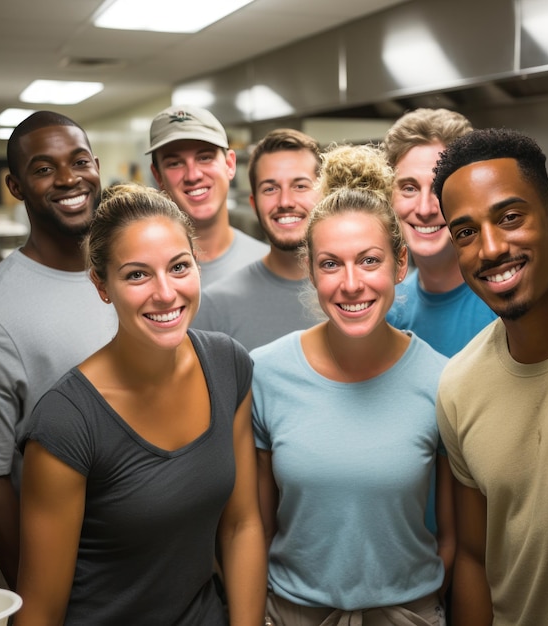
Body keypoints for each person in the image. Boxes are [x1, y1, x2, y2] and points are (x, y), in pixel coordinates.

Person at [15, 184, 267, 625]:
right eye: (137, 274)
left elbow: (241, 525)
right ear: (102, 285)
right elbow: (40, 611)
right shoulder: (66, 422)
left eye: (179, 267)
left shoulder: (227, 364)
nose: (166, 293)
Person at [252, 144, 454, 625]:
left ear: (399, 266)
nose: (350, 284)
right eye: (330, 264)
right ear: (310, 269)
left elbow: (455, 538)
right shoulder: (265, 373)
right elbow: (253, 527)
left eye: (368, 261)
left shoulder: (442, 379)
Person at [432, 128, 548, 626]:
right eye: (465, 232)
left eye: (509, 217)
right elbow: (474, 557)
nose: (489, 248)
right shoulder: (459, 386)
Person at [0, 111, 118, 590]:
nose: (68, 179)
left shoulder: (132, 273)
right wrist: (38, 596)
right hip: (73, 577)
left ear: (96, 166)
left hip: (157, 566)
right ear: (15, 187)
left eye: (79, 161)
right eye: (43, 168)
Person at [193, 128, 322, 351]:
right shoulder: (216, 305)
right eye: (270, 189)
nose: (285, 201)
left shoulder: (357, 291)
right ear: (254, 205)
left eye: (300, 186)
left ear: (324, 194)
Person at [384, 108, 496, 358]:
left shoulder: (503, 305)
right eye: (409, 188)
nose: (425, 209)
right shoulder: (388, 308)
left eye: (440, 188)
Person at [148, 105, 268, 287]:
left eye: (204, 158)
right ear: (158, 176)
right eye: (175, 163)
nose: (193, 175)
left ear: (229, 164)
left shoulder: (267, 265)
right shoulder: (143, 272)